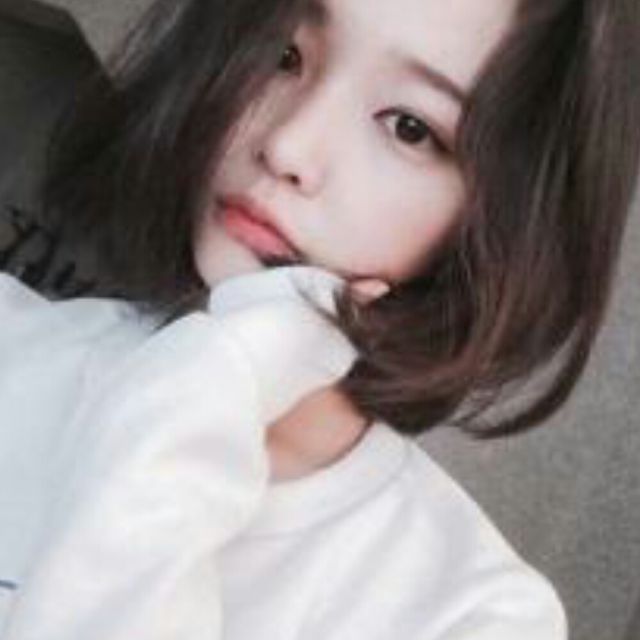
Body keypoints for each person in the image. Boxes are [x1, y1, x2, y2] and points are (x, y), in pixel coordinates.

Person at [0, 0, 638, 637]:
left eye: (409, 128)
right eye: (284, 56)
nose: (286, 145)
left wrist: (208, 390)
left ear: (508, 221)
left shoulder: (474, 615)